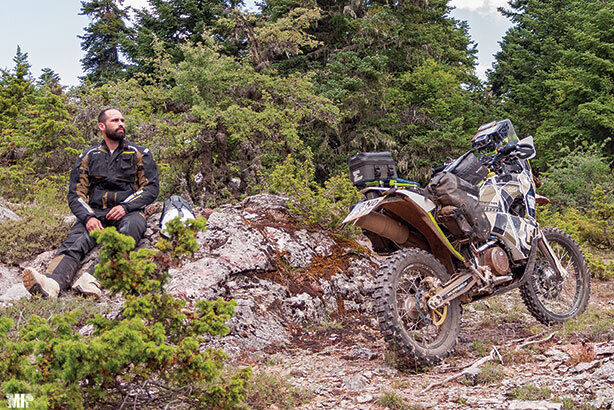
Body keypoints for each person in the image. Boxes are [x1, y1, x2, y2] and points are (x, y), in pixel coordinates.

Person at [22, 108, 159, 298]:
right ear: (101, 126)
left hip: (129, 212)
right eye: (115, 120)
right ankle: (52, 283)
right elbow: (76, 194)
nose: (121, 124)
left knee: (130, 230)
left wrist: (125, 207)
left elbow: (150, 188)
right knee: (75, 242)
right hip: (96, 212)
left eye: (122, 120)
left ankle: (93, 280)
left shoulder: (140, 153)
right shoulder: (88, 156)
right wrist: (88, 217)